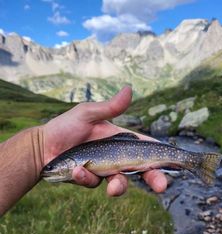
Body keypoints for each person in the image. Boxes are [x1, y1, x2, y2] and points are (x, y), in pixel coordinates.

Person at [0, 86, 167, 216]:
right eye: (50, 168)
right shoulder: (73, 156)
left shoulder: (75, 156)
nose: (47, 171)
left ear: (69, 163)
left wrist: (38, 144)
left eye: (50, 168)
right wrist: (38, 144)